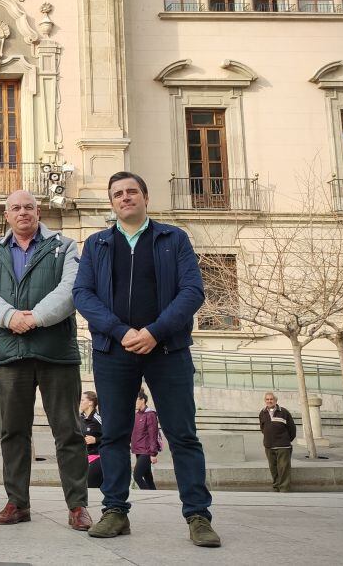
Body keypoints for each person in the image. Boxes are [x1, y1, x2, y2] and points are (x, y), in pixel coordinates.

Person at [73, 171, 220, 548]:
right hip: (114, 351)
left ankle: (198, 517)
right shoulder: (97, 244)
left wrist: (155, 331)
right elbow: (83, 295)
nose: (125, 198)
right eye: (118, 193)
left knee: (183, 434)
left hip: (167, 350)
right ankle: (115, 511)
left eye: (132, 191)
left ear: (145, 197)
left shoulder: (174, 238)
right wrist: (122, 331)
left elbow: (192, 292)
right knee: (115, 435)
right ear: (111, 203)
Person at [0, 190, 90, 531]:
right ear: (6, 215)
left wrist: (35, 318)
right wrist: (10, 317)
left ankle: (77, 505)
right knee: (13, 433)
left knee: (68, 432)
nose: (22, 212)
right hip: (10, 354)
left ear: (38, 212)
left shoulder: (64, 247)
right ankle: (17, 503)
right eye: (15, 208)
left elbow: (71, 289)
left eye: (28, 207)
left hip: (56, 353)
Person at [259, 392, 296, 492]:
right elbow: (263, 428)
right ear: (265, 401)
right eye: (267, 399)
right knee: (273, 468)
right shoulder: (262, 412)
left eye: (271, 399)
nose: (269, 401)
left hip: (283, 446)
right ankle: (276, 487)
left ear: (276, 400)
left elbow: (292, 429)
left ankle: (284, 489)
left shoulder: (284, 412)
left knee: (284, 468)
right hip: (269, 446)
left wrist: (286, 440)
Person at [131, 390, 161, 490]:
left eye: (135, 400)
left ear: (142, 400)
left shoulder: (150, 414)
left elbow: (153, 435)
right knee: (148, 477)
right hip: (138, 450)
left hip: (146, 451)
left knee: (137, 476)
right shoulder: (137, 415)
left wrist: (153, 453)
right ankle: (155, 496)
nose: (133, 402)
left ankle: (147, 494)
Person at [81, 391, 103, 489]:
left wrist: (96, 439)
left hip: (97, 458)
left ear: (90, 402)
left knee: (91, 489)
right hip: (82, 459)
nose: (79, 402)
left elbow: (111, 437)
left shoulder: (97, 419)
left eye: (82, 400)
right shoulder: (80, 418)